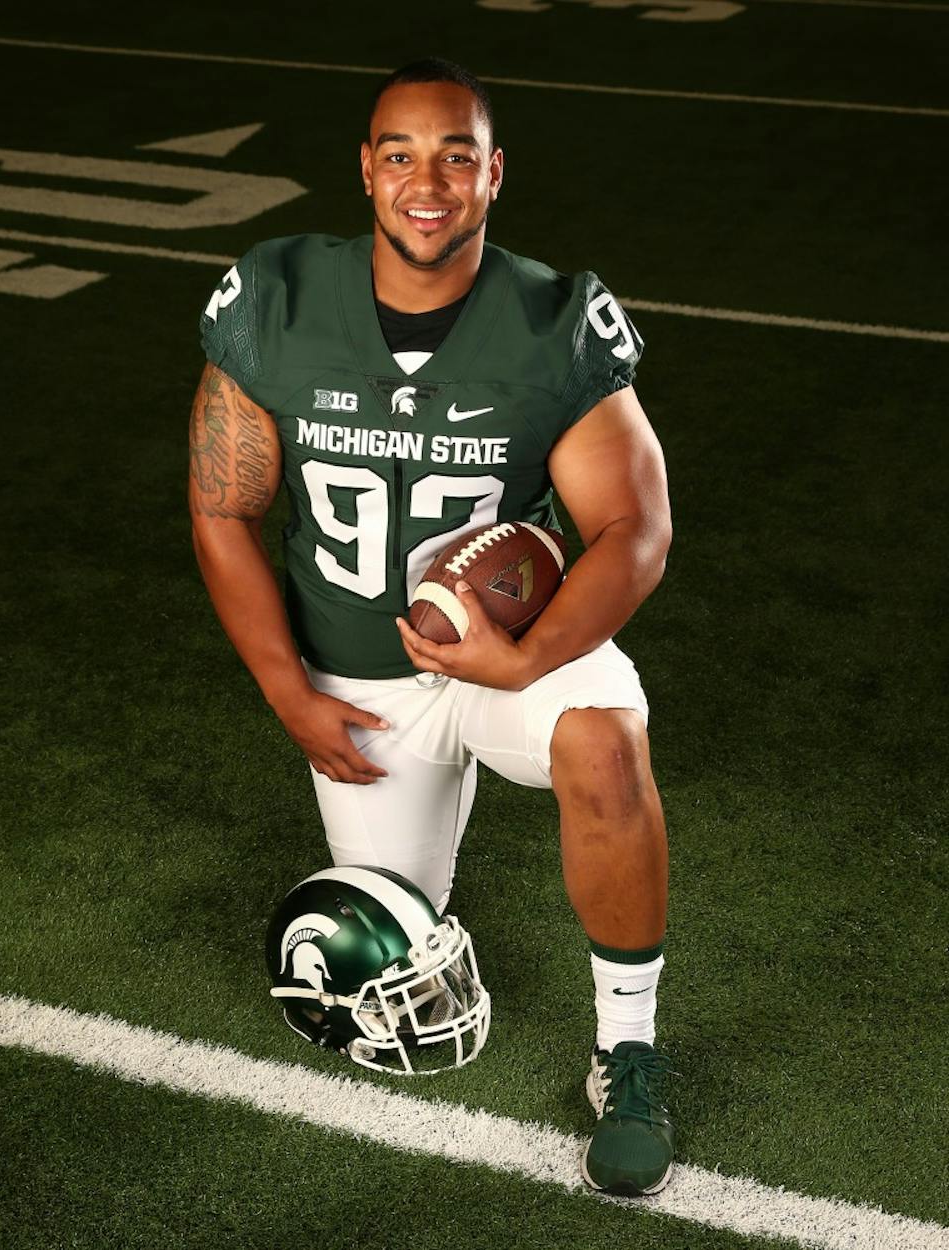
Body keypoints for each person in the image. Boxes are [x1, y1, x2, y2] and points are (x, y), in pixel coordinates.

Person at [189, 58, 675, 1197]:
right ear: (365, 171)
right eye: (400, 154)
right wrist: (288, 693)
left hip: (508, 657)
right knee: (391, 967)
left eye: (457, 154)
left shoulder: (551, 319)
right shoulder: (273, 298)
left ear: (492, 174)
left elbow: (635, 526)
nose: (429, 181)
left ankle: (630, 1046)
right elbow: (222, 508)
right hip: (358, 684)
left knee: (603, 739)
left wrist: (527, 656)